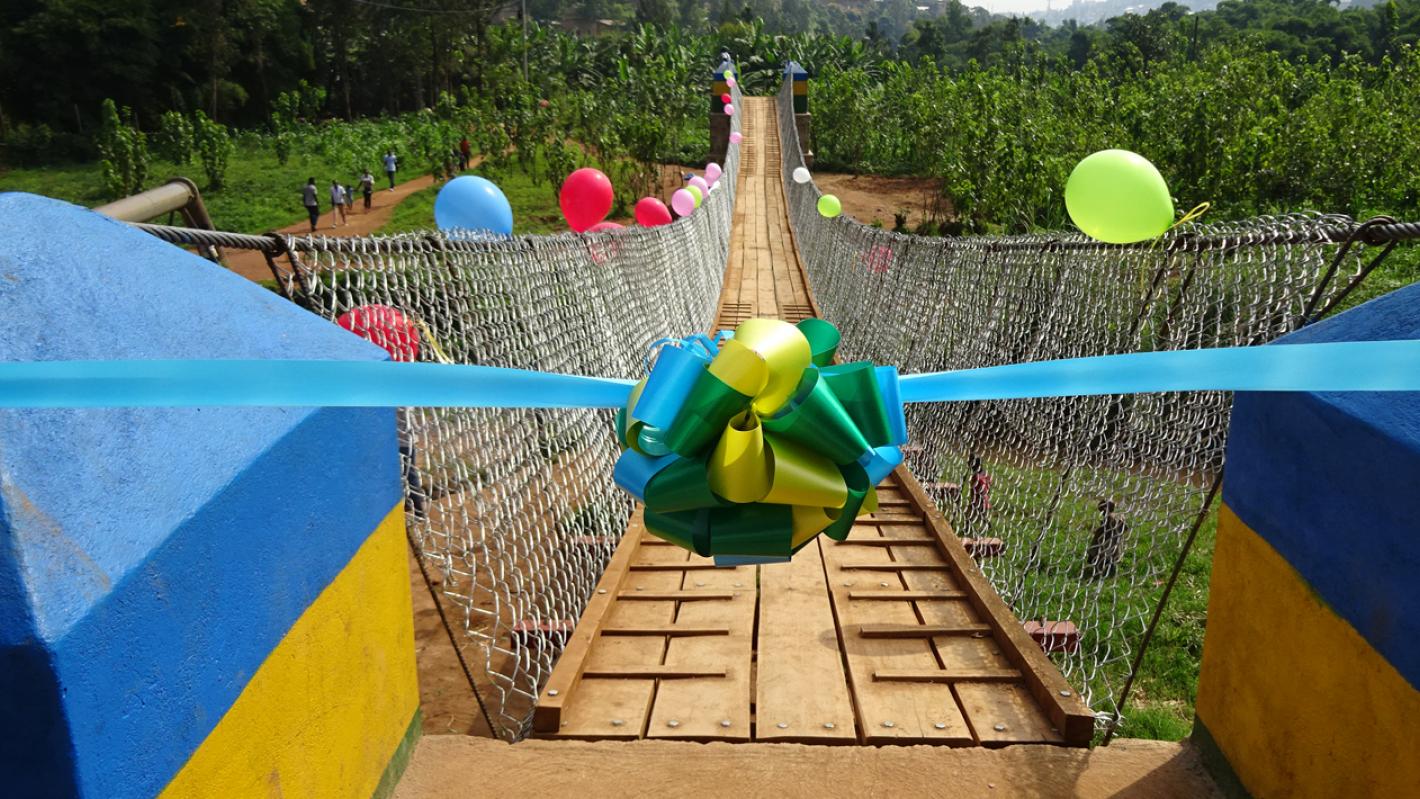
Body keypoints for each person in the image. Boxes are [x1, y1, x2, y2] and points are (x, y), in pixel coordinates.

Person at [1086, 499, 1129, 579]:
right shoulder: (1119, 516)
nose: (1102, 513)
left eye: (1102, 510)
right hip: (1115, 539)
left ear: (1105, 508)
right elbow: (1125, 528)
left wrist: (1097, 532)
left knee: (1101, 554)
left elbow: (1104, 529)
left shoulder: (1109, 516)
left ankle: (1098, 571)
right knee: (1111, 555)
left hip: (1107, 540)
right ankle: (1109, 569)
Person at [965, 454, 992, 532]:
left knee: (969, 516)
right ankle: (987, 524)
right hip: (985, 500)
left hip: (978, 501)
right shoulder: (985, 474)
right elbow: (989, 483)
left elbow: (976, 489)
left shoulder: (976, 477)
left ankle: (967, 529)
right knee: (982, 515)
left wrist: (975, 501)